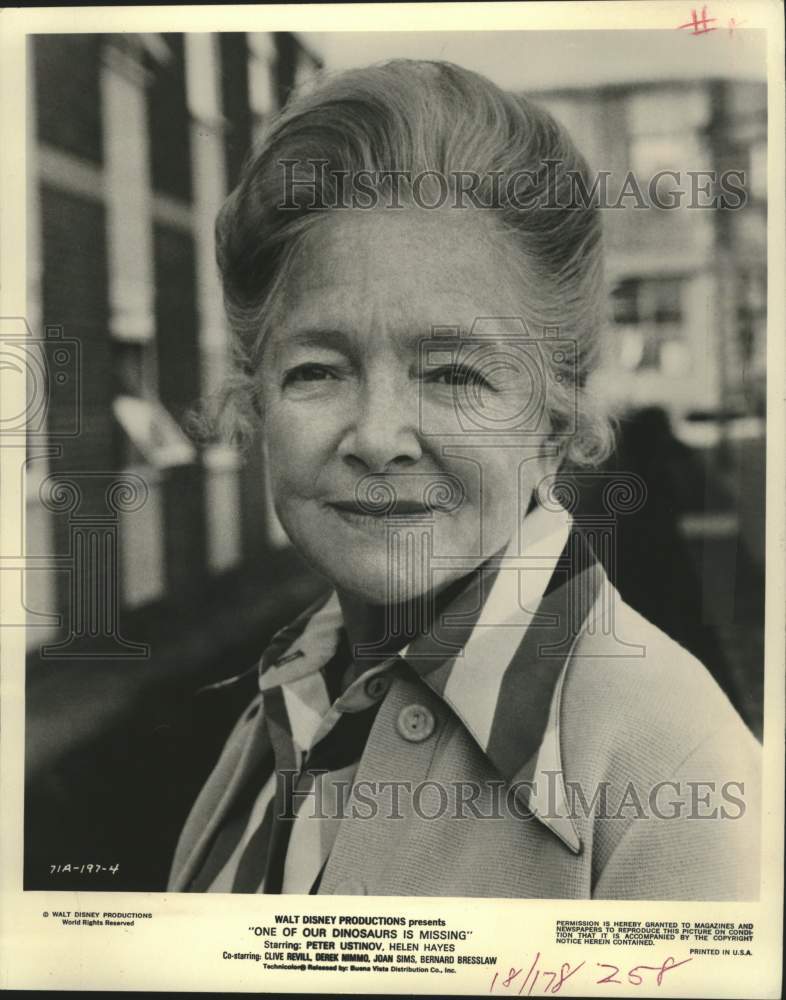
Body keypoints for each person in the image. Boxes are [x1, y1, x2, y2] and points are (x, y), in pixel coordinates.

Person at [168, 60, 760, 899]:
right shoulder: (275, 712)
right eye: (318, 371)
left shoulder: (675, 771)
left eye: (453, 374)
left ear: (554, 423)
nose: (378, 438)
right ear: (255, 401)